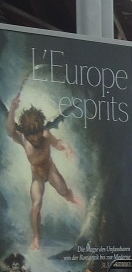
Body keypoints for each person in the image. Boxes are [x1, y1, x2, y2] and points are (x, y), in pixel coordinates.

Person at [5, 82, 83, 251]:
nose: (36, 139)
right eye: (32, 136)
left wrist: (67, 148)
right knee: (36, 207)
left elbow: (58, 143)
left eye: (38, 134)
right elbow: (10, 130)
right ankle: (36, 237)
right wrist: (12, 109)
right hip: (37, 176)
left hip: (50, 169)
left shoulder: (45, 134)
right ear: (26, 134)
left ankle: (74, 199)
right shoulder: (23, 138)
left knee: (66, 193)